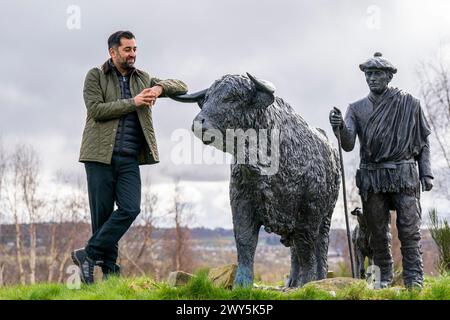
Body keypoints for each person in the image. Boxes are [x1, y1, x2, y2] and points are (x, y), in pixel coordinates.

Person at [72, 30, 188, 284]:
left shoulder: (143, 78)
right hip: (99, 157)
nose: (133, 54)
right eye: (127, 50)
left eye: (135, 49)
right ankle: (109, 274)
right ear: (113, 52)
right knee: (102, 217)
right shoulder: (95, 76)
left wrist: (158, 88)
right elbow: (96, 110)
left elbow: (182, 86)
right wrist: (134, 101)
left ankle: (88, 254)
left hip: (129, 159)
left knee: (130, 208)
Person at [329, 52, 433, 289]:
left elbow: (424, 141)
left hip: (403, 173)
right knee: (377, 233)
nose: (372, 78)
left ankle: (414, 278)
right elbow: (348, 144)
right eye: (368, 74)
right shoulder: (355, 109)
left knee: (409, 230)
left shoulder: (410, 104)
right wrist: (340, 126)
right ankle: (382, 277)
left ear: (388, 76)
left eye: (377, 74)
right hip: (372, 176)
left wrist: (426, 173)